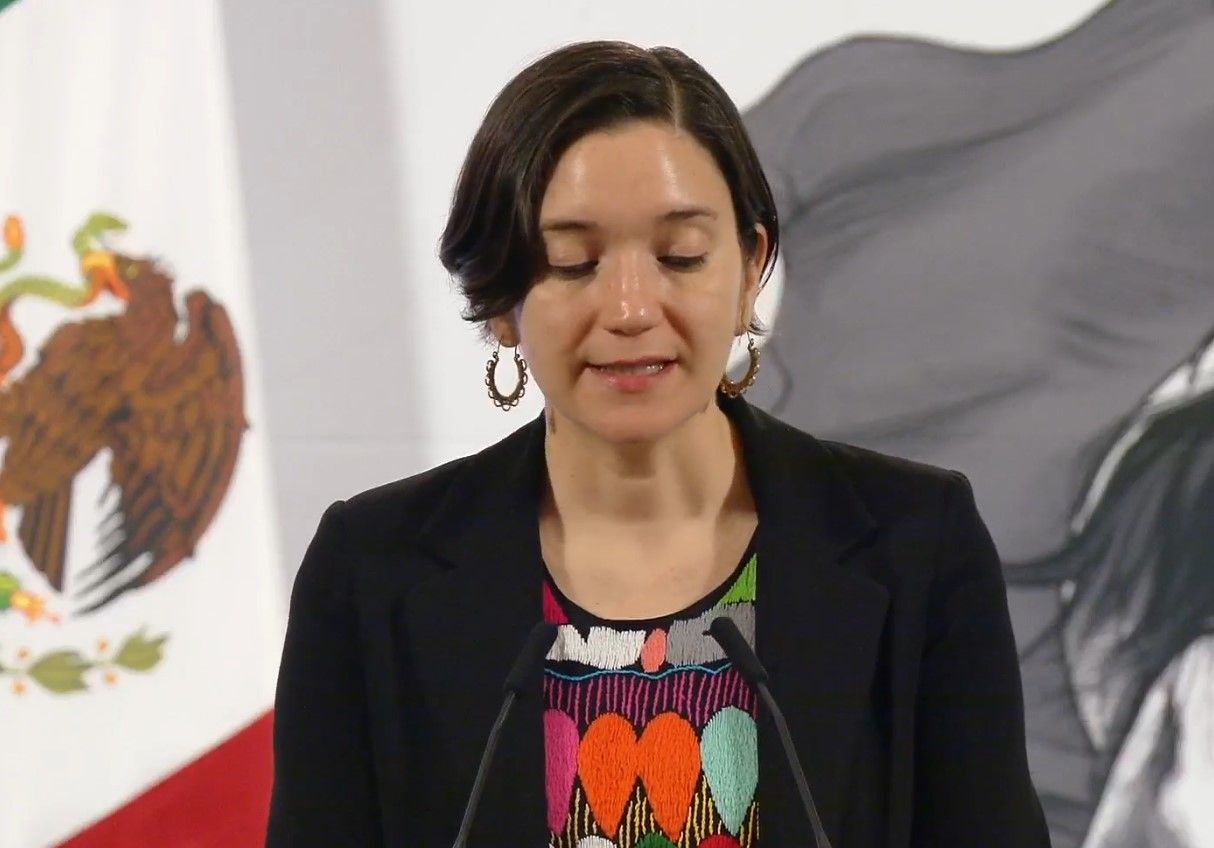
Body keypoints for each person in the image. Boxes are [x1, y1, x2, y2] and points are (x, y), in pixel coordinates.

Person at [266, 40, 1050, 847]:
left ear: (750, 269)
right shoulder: (372, 572)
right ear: (500, 301)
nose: (631, 309)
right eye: (574, 263)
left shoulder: (916, 544)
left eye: (681, 256)